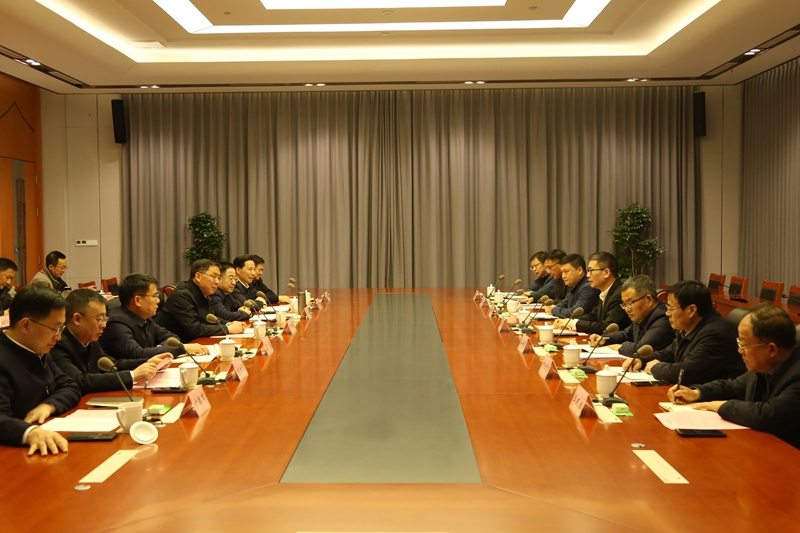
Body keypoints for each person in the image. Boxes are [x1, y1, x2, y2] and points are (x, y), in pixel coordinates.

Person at [669, 303, 800, 448]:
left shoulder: (796, 374)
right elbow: (732, 387)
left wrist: (720, 406)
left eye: (744, 344)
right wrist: (696, 393)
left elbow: (767, 415)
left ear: (771, 349)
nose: (739, 350)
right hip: (759, 446)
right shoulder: (764, 366)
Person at [0, 285, 81, 455]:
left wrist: (48, 406)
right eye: (55, 329)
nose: (58, 337)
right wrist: (30, 432)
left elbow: (70, 386)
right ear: (25, 325)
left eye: (61, 329)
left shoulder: (37, 349)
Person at [50, 289, 172, 395]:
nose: (104, 325)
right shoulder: (58, 345)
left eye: (105, 319)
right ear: (77, 319)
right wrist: (132, 375)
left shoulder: (90, 340)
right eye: (100, 319)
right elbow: (79, 381)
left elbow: (112, 365)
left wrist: (147, 362)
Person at [631, 280, 745, 385]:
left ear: (691, 310)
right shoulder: (690, 326)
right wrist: (641, 360)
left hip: (716, 397)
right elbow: (669, 353)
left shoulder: (715, 334)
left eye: (671, 309)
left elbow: (685, 373)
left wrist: (656, 368)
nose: (667, 313)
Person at [101, 273, 209, 360]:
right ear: (138, 300)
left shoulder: (145, 317)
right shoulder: (116, 324)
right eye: (154, 296)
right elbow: (137, 354)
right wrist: (181, 349)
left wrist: (160, 348)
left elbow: (171, 337)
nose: (158, 300)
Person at [155, 259, 246, 342]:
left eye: (218, 278)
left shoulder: (203, 293)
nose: (217, 282)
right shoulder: (182, 295)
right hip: (177, 345)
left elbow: (210, 318)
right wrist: (228, 329)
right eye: (213, 276)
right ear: (198, 276)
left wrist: (229, 323)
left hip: (195, 342)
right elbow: (194, 329)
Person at [590, 275, 673, 356]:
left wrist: (621, 347)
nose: (627, 309)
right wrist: (604, 339)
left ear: (648, 299)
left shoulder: (664, 319)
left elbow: (639, 349)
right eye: (624, 304)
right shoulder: (641, 316)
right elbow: (625, 334)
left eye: (630, 303)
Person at [555, 252, 630, 334]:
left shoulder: (620, 294)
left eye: (591, 270)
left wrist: (574, 324)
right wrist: (569, 321)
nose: (587, 275)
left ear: (606, 273)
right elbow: (593, 316)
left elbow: (606, 327)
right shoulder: (605, 292)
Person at [546, 254, 599, 319]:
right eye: (562, 272)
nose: (563, 276)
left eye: (566, 271)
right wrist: (554, 308)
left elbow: (573, 313)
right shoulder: (574, 285)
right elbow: (564, 303)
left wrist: (553, 310)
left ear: (579, 270)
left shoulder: (588, 287)